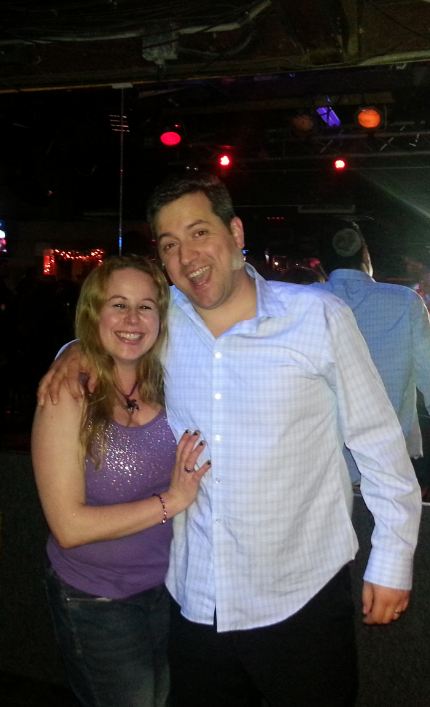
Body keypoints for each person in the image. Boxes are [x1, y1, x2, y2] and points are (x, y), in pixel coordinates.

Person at [39, 174, 421, 707]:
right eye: (169, 244)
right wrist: (75, 352)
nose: (186, 256)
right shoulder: (165, 323)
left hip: (301, 595)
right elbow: (114, 332)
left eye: (199, 232)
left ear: (235, 232)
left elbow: (379, 444)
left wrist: (393, 558)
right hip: (197, 601)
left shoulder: (316, 317)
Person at [32, 255, 210, 707]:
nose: (132, 319)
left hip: (167, 588)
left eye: (145, 306)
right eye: (118, 305)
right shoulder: (68, 394)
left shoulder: (169, 383)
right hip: (94, 597)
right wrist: (171, 501)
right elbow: (68, 527)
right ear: (95, 313)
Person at [315, 221, 430, 488]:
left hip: (321, 466)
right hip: (388, 465)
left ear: (321, 263)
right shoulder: (405, 302)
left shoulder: (303, 302)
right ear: (365, 255)